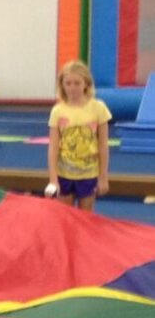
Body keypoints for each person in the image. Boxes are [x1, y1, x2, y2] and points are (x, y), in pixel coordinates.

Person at [47, 60, 111, 212]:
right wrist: (53, 179)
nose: (72, 88)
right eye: (68, 83)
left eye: (77, 83)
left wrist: (103, 177)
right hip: (64, 174)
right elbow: (53, 148)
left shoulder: (98, 108)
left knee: (85, 217)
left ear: (86, 84)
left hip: (88, 174)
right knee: (65, 217)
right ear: (62, 85)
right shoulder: (58, 111)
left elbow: (103, 146)